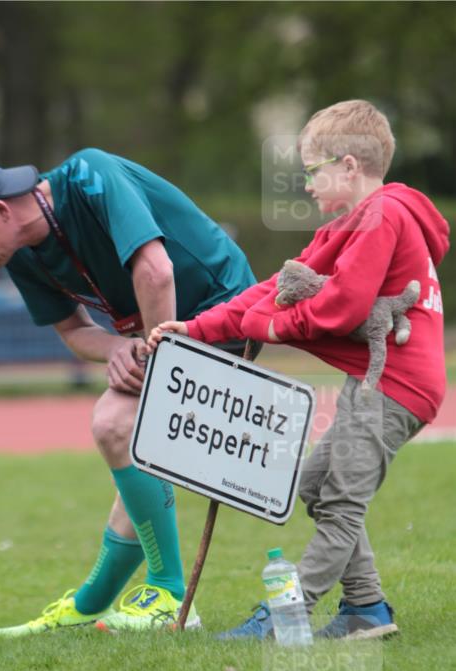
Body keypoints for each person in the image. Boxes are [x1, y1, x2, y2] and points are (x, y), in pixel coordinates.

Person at [0, 148, 259, 635]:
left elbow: (156, 271)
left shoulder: (90, 175)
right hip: (162, 330)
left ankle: (168, 594)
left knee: (115, 423)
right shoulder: (18, 252)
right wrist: (118, 348)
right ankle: (90, 606)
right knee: (135, 465)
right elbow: (74, 332)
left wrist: (153, 355)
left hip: (225, 310)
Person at [145, 100, 449, 639]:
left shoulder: (383, 215)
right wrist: (196, 328)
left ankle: (286, 617)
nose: (306, 185)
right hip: (374, 383)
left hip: (396, 386)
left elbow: (344, 306)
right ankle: (366, 608)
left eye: (312, 171)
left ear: (349, 166)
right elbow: (277, 288)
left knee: (341, 503)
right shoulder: (350, 224)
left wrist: (271, 327)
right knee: (314, 486)